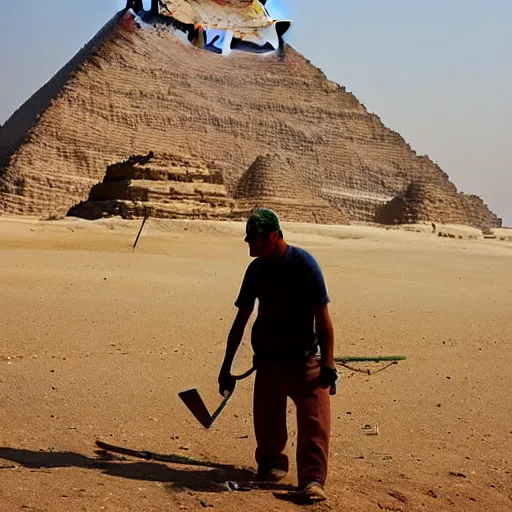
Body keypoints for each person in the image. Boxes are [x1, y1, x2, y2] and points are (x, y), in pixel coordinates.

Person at [218, 208, 337, 503]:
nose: (250, 248)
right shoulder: (257, 270)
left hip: (303, 362)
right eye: (248, 241)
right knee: (268, 432)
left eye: (255, 241)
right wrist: (226, 367)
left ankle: (311, 480)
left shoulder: (304, 265)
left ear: (274, 236)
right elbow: (241, 321)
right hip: (269, 364)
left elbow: (323, 320)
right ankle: (272, 465)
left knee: (314, 424)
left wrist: (328, 365)